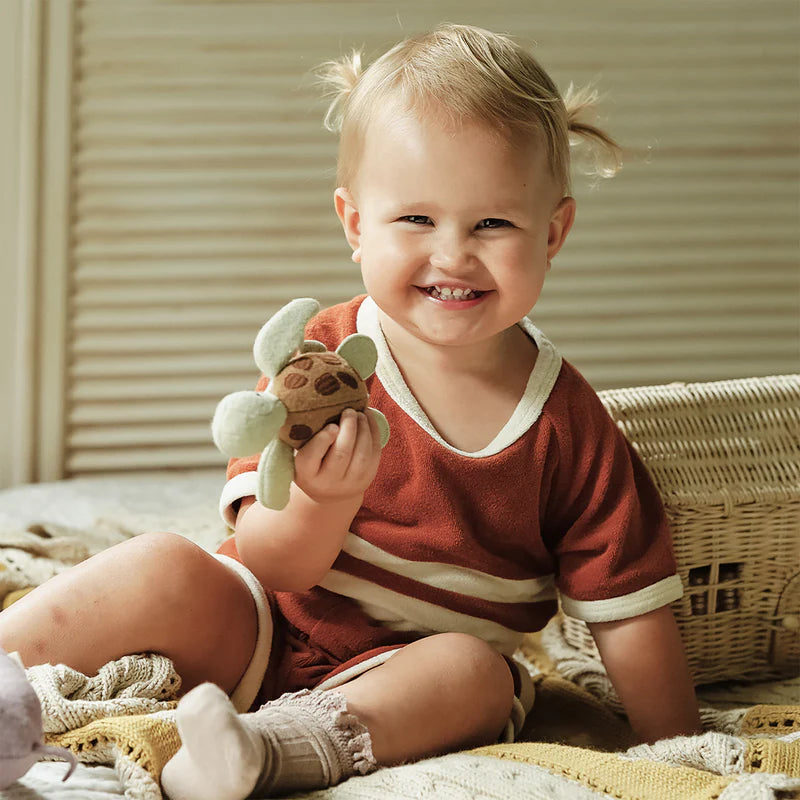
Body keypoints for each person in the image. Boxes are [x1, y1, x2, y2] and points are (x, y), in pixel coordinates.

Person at [0, 23, 702, 800]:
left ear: (553, 232)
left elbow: (628, 613)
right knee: (161, 564)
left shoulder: (571, 426)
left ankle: (257, 753)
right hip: (258, 624)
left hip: (406, 676)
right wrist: (322, 500)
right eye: (417, 219)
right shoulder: (322, 361)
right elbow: (270, 562)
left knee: (476, 674)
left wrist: (678, 748)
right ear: (356, 224)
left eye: (493, 223)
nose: (453, 254)